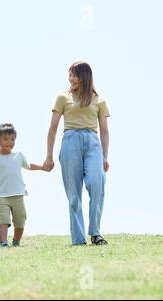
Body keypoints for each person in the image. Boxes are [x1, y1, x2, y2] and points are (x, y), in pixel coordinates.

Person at [43, 61, 110, 246]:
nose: (70, 78)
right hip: (70, 141)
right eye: (69, 74)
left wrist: (105, 156)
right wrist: (49, 156)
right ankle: (78, 239)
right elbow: (52, 128)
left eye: (74, 75)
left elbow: (104, 130)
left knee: (96, 183)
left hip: (92, 142)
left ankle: (95, 233)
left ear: (84, 77)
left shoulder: (99, 100)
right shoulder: (62, 98)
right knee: (74, 194)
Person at [0, 123, 44, 247]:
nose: (9, 142)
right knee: (3, 220)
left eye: (12, 139)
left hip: (18, 194)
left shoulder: (18, 156)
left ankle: (16, 241)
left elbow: (29, 165)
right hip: (2, 196)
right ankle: (3, 242)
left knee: (20, 221)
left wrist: (42, 167)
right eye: (5, 139)